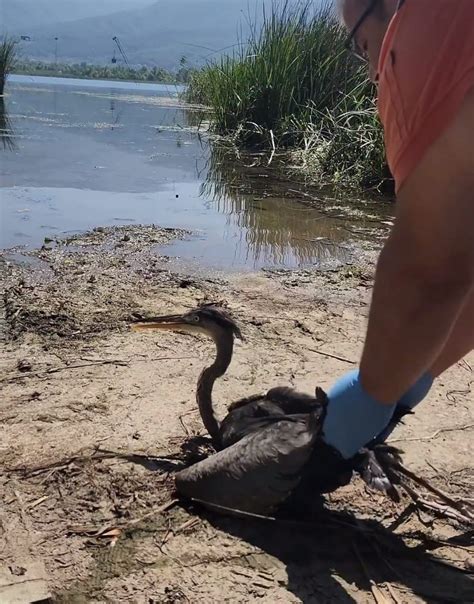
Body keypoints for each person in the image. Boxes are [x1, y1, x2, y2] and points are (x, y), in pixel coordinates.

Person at [322, 0, 474, 459]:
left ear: (388, 8)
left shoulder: (427, 27)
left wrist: (365, 402)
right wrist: (410, 380)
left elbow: (433, 266)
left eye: (363, 44)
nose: (372, 71)